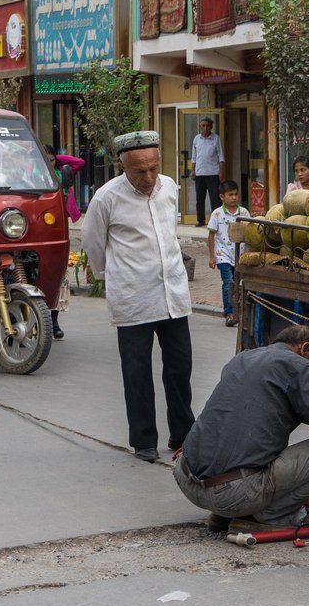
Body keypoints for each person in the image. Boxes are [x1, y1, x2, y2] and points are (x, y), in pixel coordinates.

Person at [172, 324, 309, 533]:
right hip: (231, 493)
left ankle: (229, 509)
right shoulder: (298, 366)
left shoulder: (243, 358)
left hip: (187, 479)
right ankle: (270, 515)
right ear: (304, 348)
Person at [81, 131, 196, 462]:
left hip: (172, 293)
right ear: (121, 166)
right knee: (137, 372)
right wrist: (113, 274)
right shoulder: (107, 198)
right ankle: (144, 440)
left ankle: (183, 434)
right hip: (133, 298)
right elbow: (92, 242)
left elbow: (168, 232)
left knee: (179, 368)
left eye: (153, 168)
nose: (147, 177)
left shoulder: (170, 187)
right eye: (138, 171)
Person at [46, 146, 85, 340]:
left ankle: (53, 321)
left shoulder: (62, 173)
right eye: (43, 159)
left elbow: (79, 162)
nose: (48, 163)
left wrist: (57, 160)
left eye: (51, 160)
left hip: (59, 226)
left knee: (60, 274)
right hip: (39, 225)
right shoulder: (30, 171)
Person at [206, 179, 250, 327]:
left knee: (239, 283)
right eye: (230, 195)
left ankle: (240, 310)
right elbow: (211, 235)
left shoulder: (244, 212)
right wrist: (212, 257)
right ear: (222, 197)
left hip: (240, 255)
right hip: (222, 254)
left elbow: (250, 233)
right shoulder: (217, 214)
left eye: (236, 194)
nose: (234, 197)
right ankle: (230, 312)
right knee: (228, 282)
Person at [192, 117, 224, 227]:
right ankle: (200, 220)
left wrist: (221, 172)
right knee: (199, 199)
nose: (205, 128)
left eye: (207, 126)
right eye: (203, 126)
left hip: (213, 173)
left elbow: (221, 157)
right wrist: (192, 170)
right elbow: (194, 157)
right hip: (200, 173)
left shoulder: (215, 139)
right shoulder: (196, 139)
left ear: (211, 127)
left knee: (215, 199)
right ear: (200, 127)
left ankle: (217, 221)